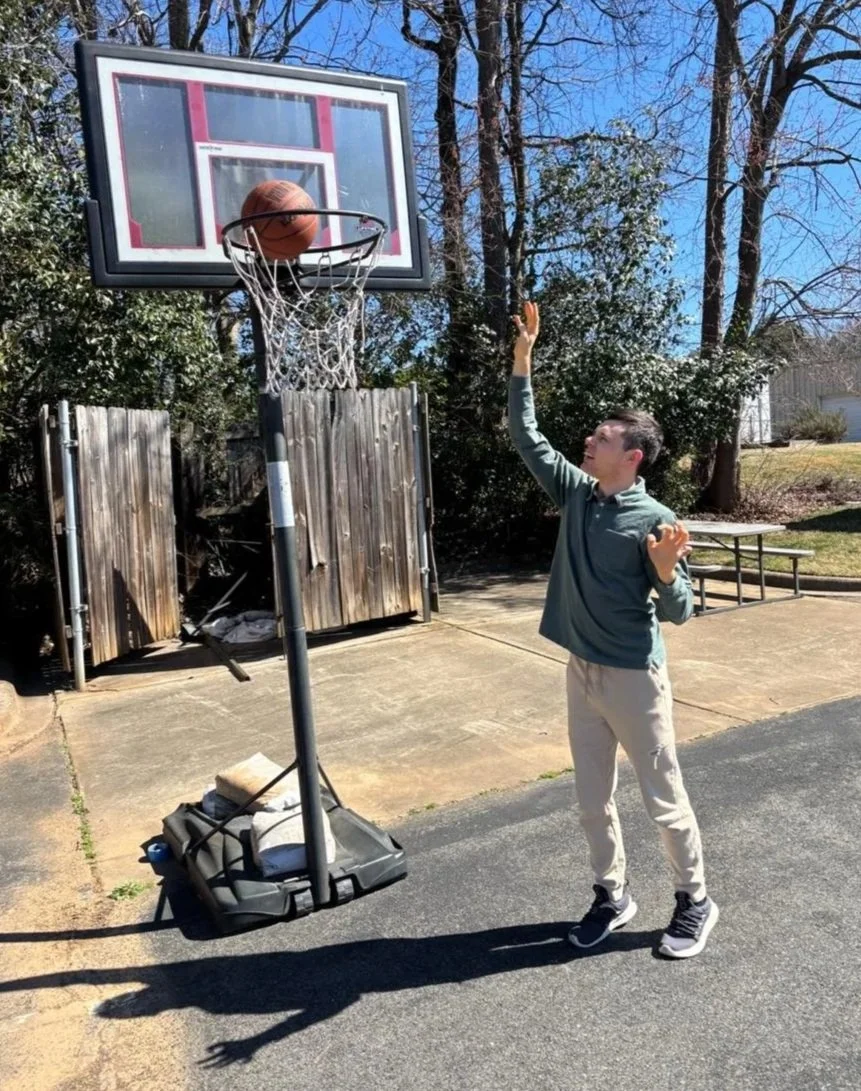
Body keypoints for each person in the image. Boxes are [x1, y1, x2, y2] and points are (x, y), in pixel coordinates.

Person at [509, 300, 718, 960]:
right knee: (590, 801)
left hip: (634, 676)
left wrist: (662, 571)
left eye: (600, 437)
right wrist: (522, 360)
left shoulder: (653, 515)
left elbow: (680, 608)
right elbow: (526, 436)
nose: (587, 441)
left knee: (662, 797)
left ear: (628, 456)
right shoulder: (574, 492)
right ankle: (612, 895)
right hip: (582, 671)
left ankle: (693, 899)